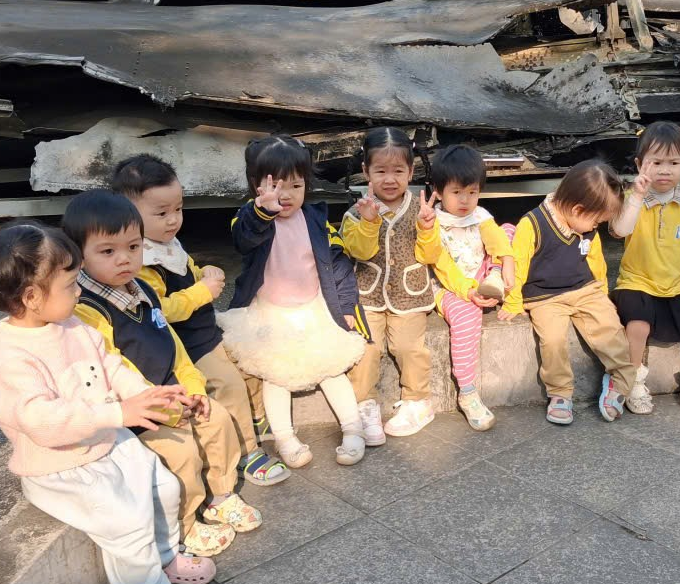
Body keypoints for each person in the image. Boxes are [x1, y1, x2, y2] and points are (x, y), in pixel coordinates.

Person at [0, 221, 217, 584]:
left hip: (106, 440)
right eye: (70, 285)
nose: (79, 292)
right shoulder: (15, 354)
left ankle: (165, 558)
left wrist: (145, 395)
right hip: (62, 465)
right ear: (32, 297)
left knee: (162, 485)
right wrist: (117, 412)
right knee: (126, 522)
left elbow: (110, 366)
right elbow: (41, 420)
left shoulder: (72, 325)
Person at [63, 190, 259, 558]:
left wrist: (193, 386)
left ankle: (221, 495)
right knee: (180, 452)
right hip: (139, 413)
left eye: (133, 247)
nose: (125, 259)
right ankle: (184, 523)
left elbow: (172, 345)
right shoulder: (88, 310)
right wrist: (164, 406)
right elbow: (112, 373)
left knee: (217, 419)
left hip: (175, 392)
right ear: (78, 255)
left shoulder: (143, 289)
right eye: (108, 251)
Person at [110, 154, 286, 488]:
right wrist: (202, 292)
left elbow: (187, 268)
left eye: (178, 209)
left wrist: (203, 271)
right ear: (127, 215)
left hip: (207, 328)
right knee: (228, 384)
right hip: (189, 343)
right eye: (161, 213)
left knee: (250, 358)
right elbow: (159, 309)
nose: (173, 220)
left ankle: (254, 418)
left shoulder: (166, 243)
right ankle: (247, 452)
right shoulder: (141, 260)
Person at [218, 136, 370, 466]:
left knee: (332, 371)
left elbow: (338, 263)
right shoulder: (249, 217)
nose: (285, 195)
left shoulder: (315, 220)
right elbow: (243, 240)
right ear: (256, 186)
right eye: (275, 186)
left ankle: (353, 428)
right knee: (276, 377)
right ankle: (286, 439)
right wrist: (262, 211)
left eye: (296, 186)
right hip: (270, 314)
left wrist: (346, 307)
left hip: (313, 309)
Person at [500, 159, 635, 424]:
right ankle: (560, 393)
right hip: (545, 297)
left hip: (586, 289)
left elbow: (596, 259)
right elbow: (518, 263)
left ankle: (620, 381)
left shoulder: (585, 226)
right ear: (577, 209)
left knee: (610, 328)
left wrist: (602, 291)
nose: (596, 227)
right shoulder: (533, 223)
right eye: (596, 221)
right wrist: (513, 301)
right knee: (552, 340)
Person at [611, 122, 680, 413]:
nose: (665, 170)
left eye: (674, 163)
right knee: (637, 325)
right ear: (640, 165)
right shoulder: (630, 199)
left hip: (675, 283)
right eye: (656, 162)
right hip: (636, 281)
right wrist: (636, 196)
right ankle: (633, 380)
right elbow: (620, 231)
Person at [342, 127, 444, 442]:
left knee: (409, 347)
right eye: (380, 171)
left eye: (398, 171)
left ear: (411, 172)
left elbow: (431, 256)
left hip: (410, 296)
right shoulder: (355, 213)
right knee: (365, 347)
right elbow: (359, 252)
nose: (390, 179)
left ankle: (418, 401)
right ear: (366, 172)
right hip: (368, 295)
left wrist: (427, 228)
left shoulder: (422, 210)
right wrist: (369, 222)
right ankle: (363, 404)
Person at [428, 145, 517, 431]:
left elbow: (496, 241)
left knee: (508, 230)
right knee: (467, 316)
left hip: (481, 274)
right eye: (456, 192)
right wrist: (469, 292)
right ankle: (467, 392)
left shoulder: (480, 215)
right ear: (438, 191)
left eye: (472, 191)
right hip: (449, 287)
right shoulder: (433, 223)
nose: (465, 200)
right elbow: (443, 266)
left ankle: (495, 278)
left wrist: (506, 262)